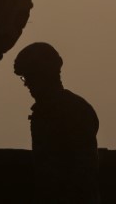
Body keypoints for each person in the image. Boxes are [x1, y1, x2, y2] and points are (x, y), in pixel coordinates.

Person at [14, 42, 100, 203]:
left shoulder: (74, 111)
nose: (26, 84)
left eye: (30, 77)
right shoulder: (46, 111)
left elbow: (83, 172)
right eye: (24, 78)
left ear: (44, 75)